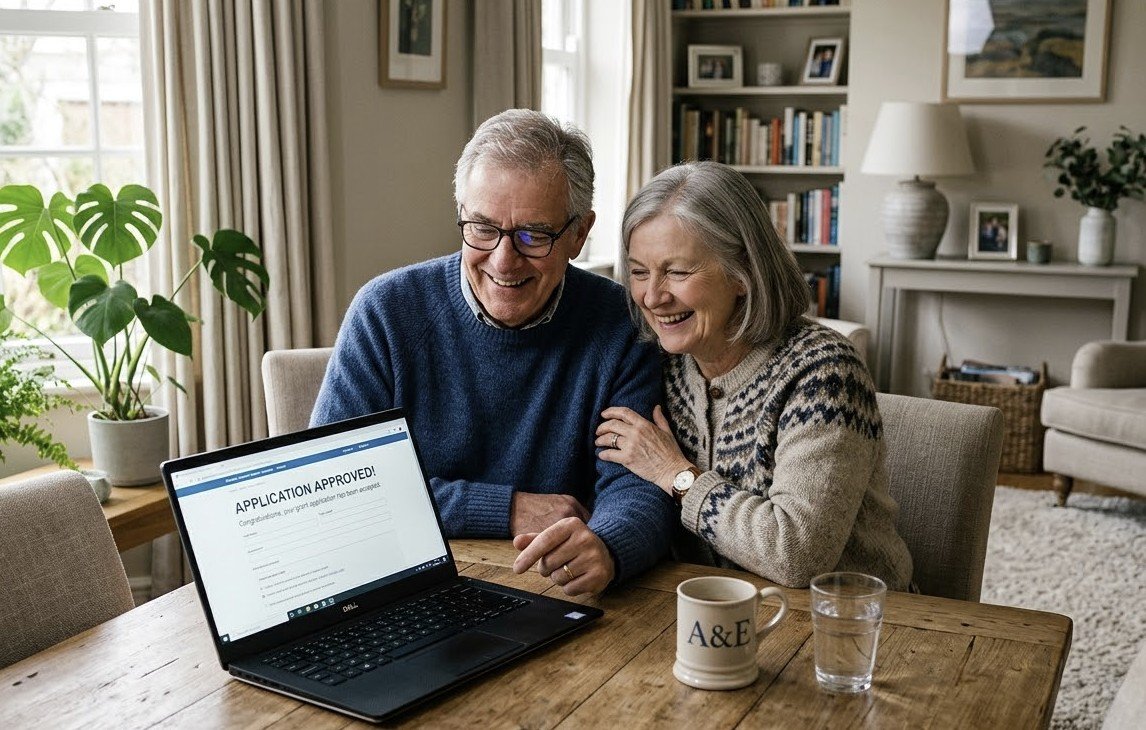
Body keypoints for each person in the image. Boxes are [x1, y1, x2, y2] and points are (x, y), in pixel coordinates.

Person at [310, 109, 676, 595]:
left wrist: (606, 545)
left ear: (578, 234)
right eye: (482, 229)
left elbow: (638, 481)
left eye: (533, 235)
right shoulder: (386, 312)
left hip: (557, 589)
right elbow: (332, 491)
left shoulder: (622, 324)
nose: (504, 261)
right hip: (400, 588)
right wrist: (505, 507)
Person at [596, 161, 912, 590]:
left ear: (742, 272)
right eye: (638, 272)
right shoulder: (658, 362)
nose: (653, 297)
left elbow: (797, 554)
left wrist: (675, 473)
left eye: (677, 271)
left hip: (855, 623)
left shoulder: (824, 372)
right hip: (717, 616)